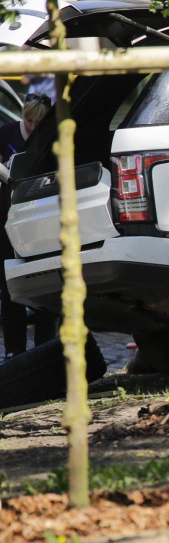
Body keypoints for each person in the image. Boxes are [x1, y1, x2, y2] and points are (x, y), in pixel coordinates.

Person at [1, 92, 58, 357]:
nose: (33, 127)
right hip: (7, 213)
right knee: (9, 284)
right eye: (29, 121)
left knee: (45, 279)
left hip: (41, 214)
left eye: (39, 122)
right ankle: (15, 349)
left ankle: (45, 346)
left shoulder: (52, 137)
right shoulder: (7, 132)